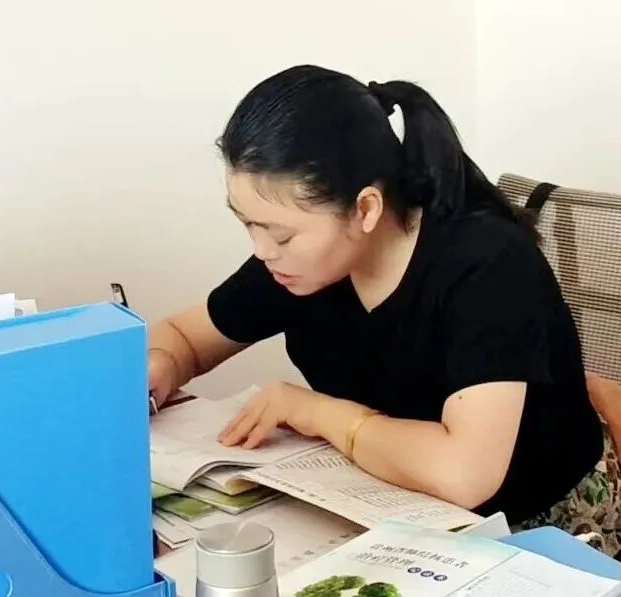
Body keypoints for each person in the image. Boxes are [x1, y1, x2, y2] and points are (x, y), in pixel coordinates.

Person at [147, 65, 620, 555]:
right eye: (249, 224)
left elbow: (464, 473)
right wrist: (161, 364)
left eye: (281, 234)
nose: (263, 251)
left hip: (536, 522)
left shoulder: (487, 264)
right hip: (393, 501)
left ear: (366, 209)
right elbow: (184, 337)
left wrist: (316, 412)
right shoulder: (298, 264)